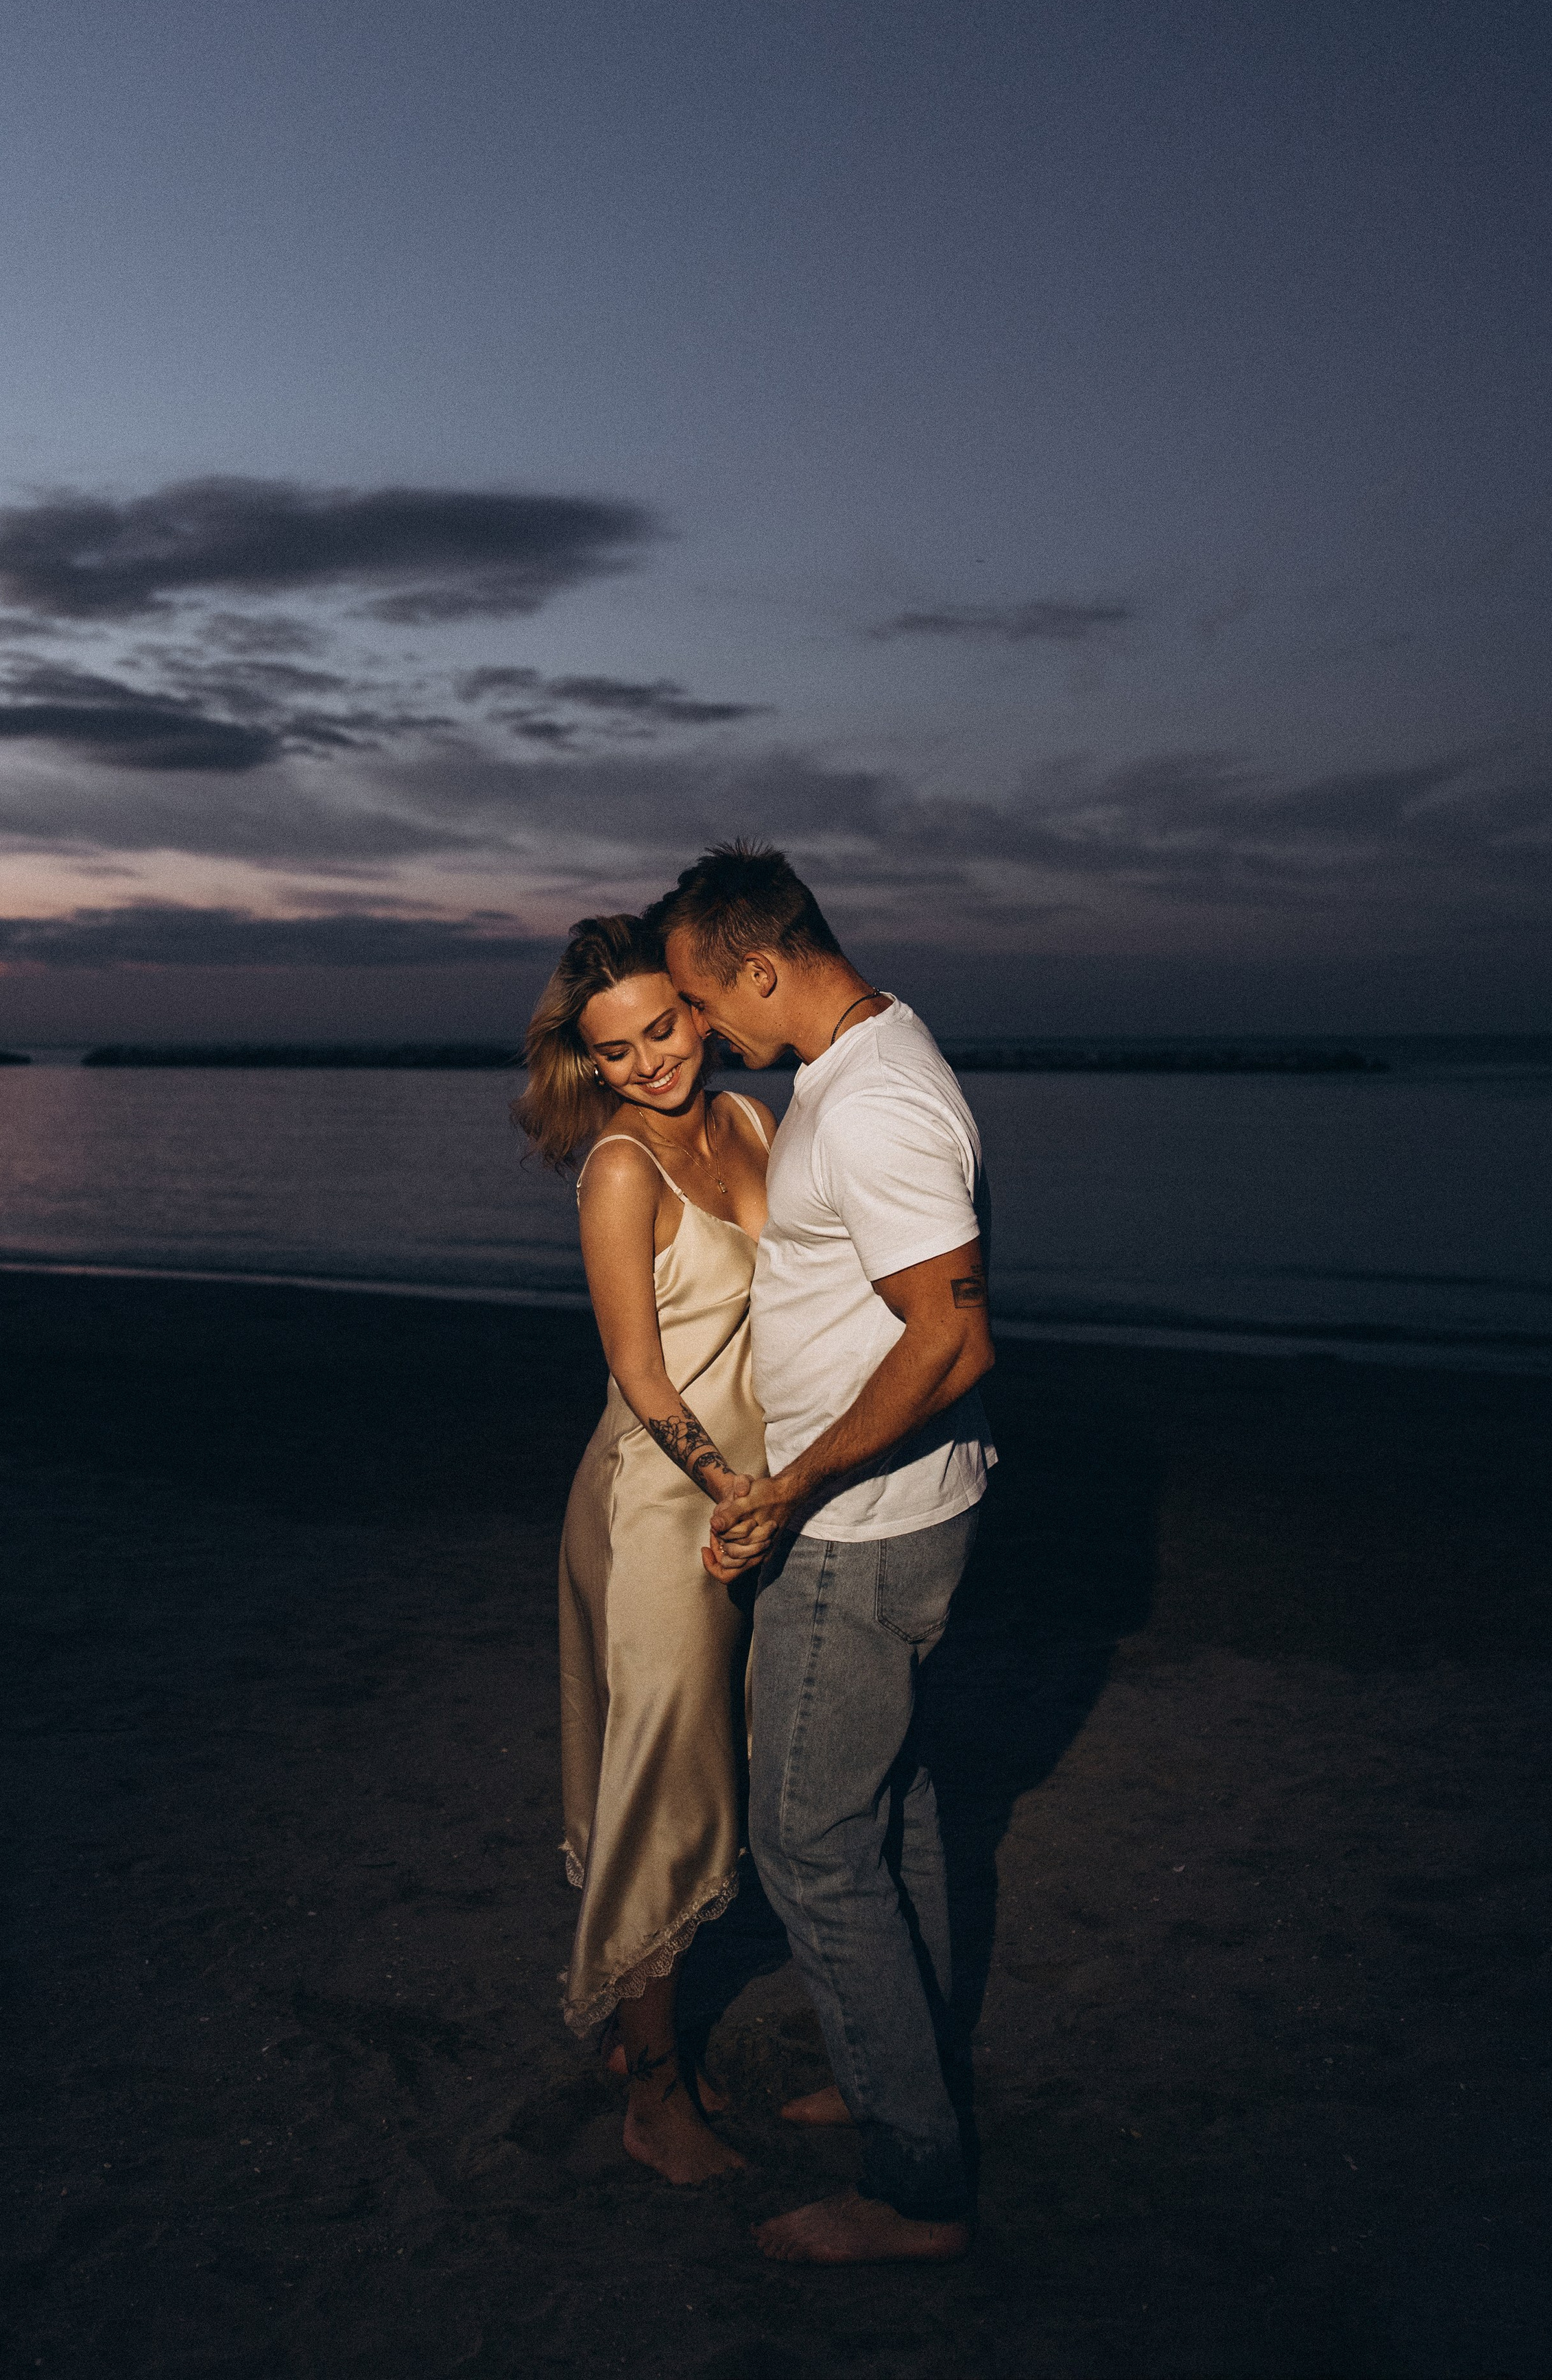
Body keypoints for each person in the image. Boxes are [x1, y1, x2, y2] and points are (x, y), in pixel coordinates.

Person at [652, 843, 996, 2264]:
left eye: (700, 999)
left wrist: (790, 1485)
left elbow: (953, 1334)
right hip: (887, 1513)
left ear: (760, 965)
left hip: (858, 1532)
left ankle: (915, 2183)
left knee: (807, 1843)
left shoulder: (877, 1106)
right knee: (893, 1809)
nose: (701, 1032)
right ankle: (889, 2074)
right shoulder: (849, 1066)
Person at [512, 913, 776, 2185]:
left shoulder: (751, 1126)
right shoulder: (620, 1169)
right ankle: (654, 2095)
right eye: (615, 1051)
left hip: (743, 1501)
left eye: (662, 1027)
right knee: (664, 1797)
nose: (651, 1064)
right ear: (591, 1065)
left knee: (706, 1770)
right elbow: (640, 1372)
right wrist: (735, 1492)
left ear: (697, 1007)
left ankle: (641, 2045)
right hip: (660, 1509)